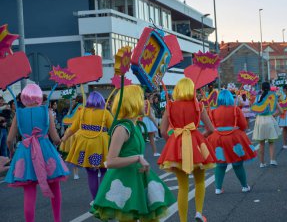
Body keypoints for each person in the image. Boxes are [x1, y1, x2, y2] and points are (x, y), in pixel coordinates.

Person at [90, 85, 175, 221]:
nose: (144, 102)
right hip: (124, 181)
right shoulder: (122, 128)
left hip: (137, 178)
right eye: (141, 98)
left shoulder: (134, 125)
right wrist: (137, 158)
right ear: (133, 102)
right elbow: (110, 161)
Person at [5, 84, 69, 222]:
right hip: (46, 151)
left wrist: (12, 153)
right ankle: (57, 220)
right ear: (39, 97)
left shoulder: (19, 114)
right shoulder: (47, 112)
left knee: (29, 191)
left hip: (25, 151)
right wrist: (62, 139)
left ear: (23, 98)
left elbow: (9, 140)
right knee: (55, 187)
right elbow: (55, 138)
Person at [158, 78, 216, 222]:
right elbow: (211, 129)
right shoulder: (198, 105)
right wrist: (201, 137)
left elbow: (163, 131)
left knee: (182, 186)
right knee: (200, 181)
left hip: (177, 143)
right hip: (195, 143)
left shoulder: (170, 106)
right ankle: (198, 212)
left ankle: (183, 220)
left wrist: (172, 142)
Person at [61, 91, 113, 201]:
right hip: (101, 144)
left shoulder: (82, 112)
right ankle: (102, 199)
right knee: (104, 170)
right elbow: (113, 128)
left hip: (85, 145)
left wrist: (64, 138)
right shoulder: (105, 113)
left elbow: (73, 128)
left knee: (91, 173)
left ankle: (95, 199)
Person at [208, 90, 256, 194]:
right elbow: (243, 126)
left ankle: (218, 188)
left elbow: (210, 126)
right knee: (237, 163)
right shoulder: (236, 109)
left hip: (217, 139)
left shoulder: (213, 111)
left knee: (220, 163)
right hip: (234, 138)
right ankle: (244, 186)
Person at [252, 82, 283, 168]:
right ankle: (272, 160)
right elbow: (281, 110)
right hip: (269, 119)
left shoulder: (257, 98)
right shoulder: (272, 98)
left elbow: (254, 110)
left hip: (259, 121)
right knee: (271, 142)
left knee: (261, 143)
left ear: (261, 88)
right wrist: (273, 115)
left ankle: (262, 163)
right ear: (269, 88)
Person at [59, 95, 83, 180]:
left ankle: (73, 173)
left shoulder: (72, 109)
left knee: (71, 153)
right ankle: (97, 170)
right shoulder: (82, 108)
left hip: (69, 132)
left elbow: (66, 119)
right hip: (78, 132)